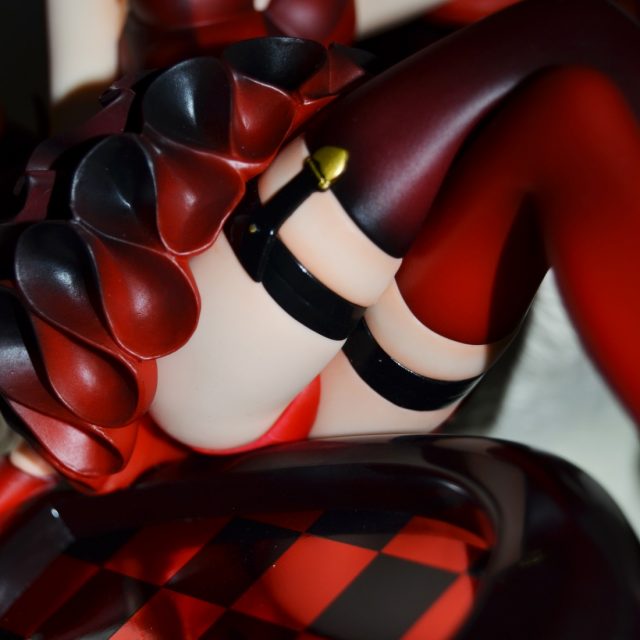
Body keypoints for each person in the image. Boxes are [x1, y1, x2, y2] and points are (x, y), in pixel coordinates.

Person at [0, 0, 639, 532]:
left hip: (335, 412)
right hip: (195, 343)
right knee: (575, 42)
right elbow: (79, 127)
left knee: (567, 109)